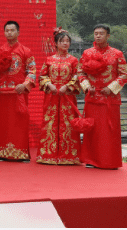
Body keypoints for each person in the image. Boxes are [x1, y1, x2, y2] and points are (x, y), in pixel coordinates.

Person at [77, 24, 127, 169]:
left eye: (101, 33)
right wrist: (87, 87)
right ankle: (91, 160)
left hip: (110, 99)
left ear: (108, 36)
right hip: (93, 97)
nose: (98, 36)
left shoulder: (117, 54)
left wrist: (110, 88)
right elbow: (80, 73)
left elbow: (124, 75)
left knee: (109, 131)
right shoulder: (87, 53)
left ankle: (109, 161)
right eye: (96, 33)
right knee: (93, 130)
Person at [0, 20, 36, 161]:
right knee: (2, 123)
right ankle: (2, 153)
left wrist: (25, 85)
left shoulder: (26, 51)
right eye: (7, 30)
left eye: (12, 30)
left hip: (18, 94)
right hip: (3, 95)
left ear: (18, 32)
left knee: (19, 124)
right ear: (4, 33)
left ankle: (21, 153)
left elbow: (32, 71)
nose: (9, 33)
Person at [36, 29, 81, 166]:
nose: (65, 43)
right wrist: (50, 85)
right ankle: (48, 154)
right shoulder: (49, 60)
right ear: (56, 43)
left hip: (67, 96)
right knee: (50, 123)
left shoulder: (73, 60)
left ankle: (68, 155)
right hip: (52, 96)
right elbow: (42, 76)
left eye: (67, 41)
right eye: (62, 41)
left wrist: (67, 86)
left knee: (68, 124)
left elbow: (77, 76)